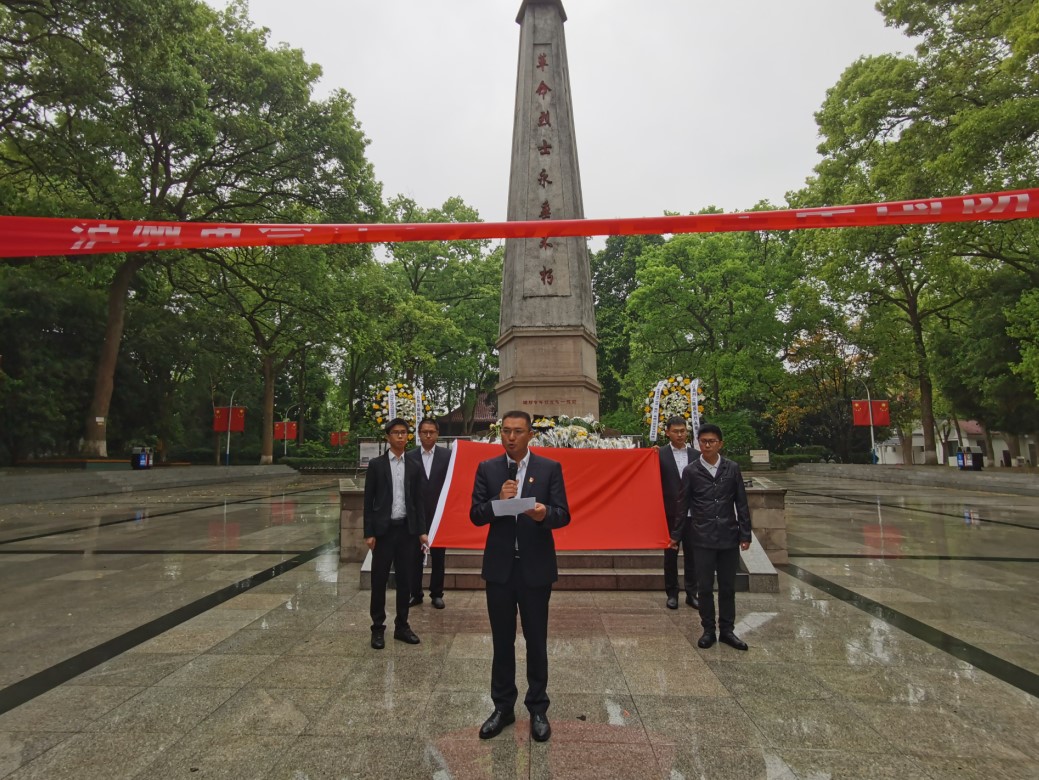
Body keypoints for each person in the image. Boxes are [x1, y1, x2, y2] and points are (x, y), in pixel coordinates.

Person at [470, 410, 570, 743]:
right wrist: (497, 501)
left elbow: (562, 514)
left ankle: (538, 708)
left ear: (530, 435)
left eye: (517, 431)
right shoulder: (488, 469)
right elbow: (475, 514)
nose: (510, 437)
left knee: (536, 640)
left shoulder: (549, 468)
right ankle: (503, 708)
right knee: (502, 642)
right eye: (505, 431)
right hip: (500, 570)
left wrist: (543, 514)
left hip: (535, 570)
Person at [672, 423, 752, 651]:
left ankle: (727, 630)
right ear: (698, 444)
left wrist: (745, 533)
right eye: (703, 441)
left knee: (727, 587)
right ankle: (708, 630)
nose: (707, 445)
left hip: (728, 535)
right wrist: (676, 536)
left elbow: (741, 503)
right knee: (705, 587)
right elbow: (682, 505)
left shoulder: (732, 468)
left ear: (720, 444)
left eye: (711, 441)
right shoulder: (691, 471)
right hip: (702, 537)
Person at [363, 418, 427, 650]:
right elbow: (368, 500)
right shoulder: (376, 465)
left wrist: (422, 531)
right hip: (384, 531)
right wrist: (369, 532)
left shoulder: (414, 465)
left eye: (404, 432)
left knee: (405, 580)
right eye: (396, 432)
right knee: (379, 579)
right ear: (387, 437)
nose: (400, 436)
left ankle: (402, 626)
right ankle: (377, 628)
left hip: (407, 531)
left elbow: (418, 501)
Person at [406, 417, 450, 609]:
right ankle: (415, 593)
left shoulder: (447, 456)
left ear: (437, 434)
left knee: (439, 557)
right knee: (414, 556)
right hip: (416, 514)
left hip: (439, 514)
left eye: (432, 432)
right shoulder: (409, 457)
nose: (428, 435)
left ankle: (437, 594)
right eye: (425, 432)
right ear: (419, 434)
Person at [658, 415, 698, 611]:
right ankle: (672, 593)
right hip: (670, 513)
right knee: (670, 556)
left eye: (683, 431)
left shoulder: (696, 454)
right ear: (667, 433)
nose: (680, 435)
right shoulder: (659, 454)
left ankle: (692, 593)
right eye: (676, 431)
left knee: (693, 555)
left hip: (693, 513)